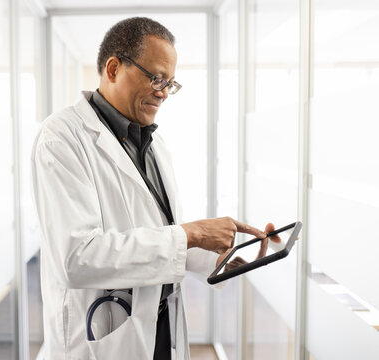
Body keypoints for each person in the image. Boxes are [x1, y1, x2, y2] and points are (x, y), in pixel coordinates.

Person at [32, 17, 278, 360]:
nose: (163, 92)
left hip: (159, 327)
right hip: (103, 336)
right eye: (156, 78)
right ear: (114, 68)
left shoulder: (153, 142)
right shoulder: (62, 137)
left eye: (171, 83)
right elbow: (76, 258)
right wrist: (190, 234)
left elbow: (156, 232)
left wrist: (222, 258)